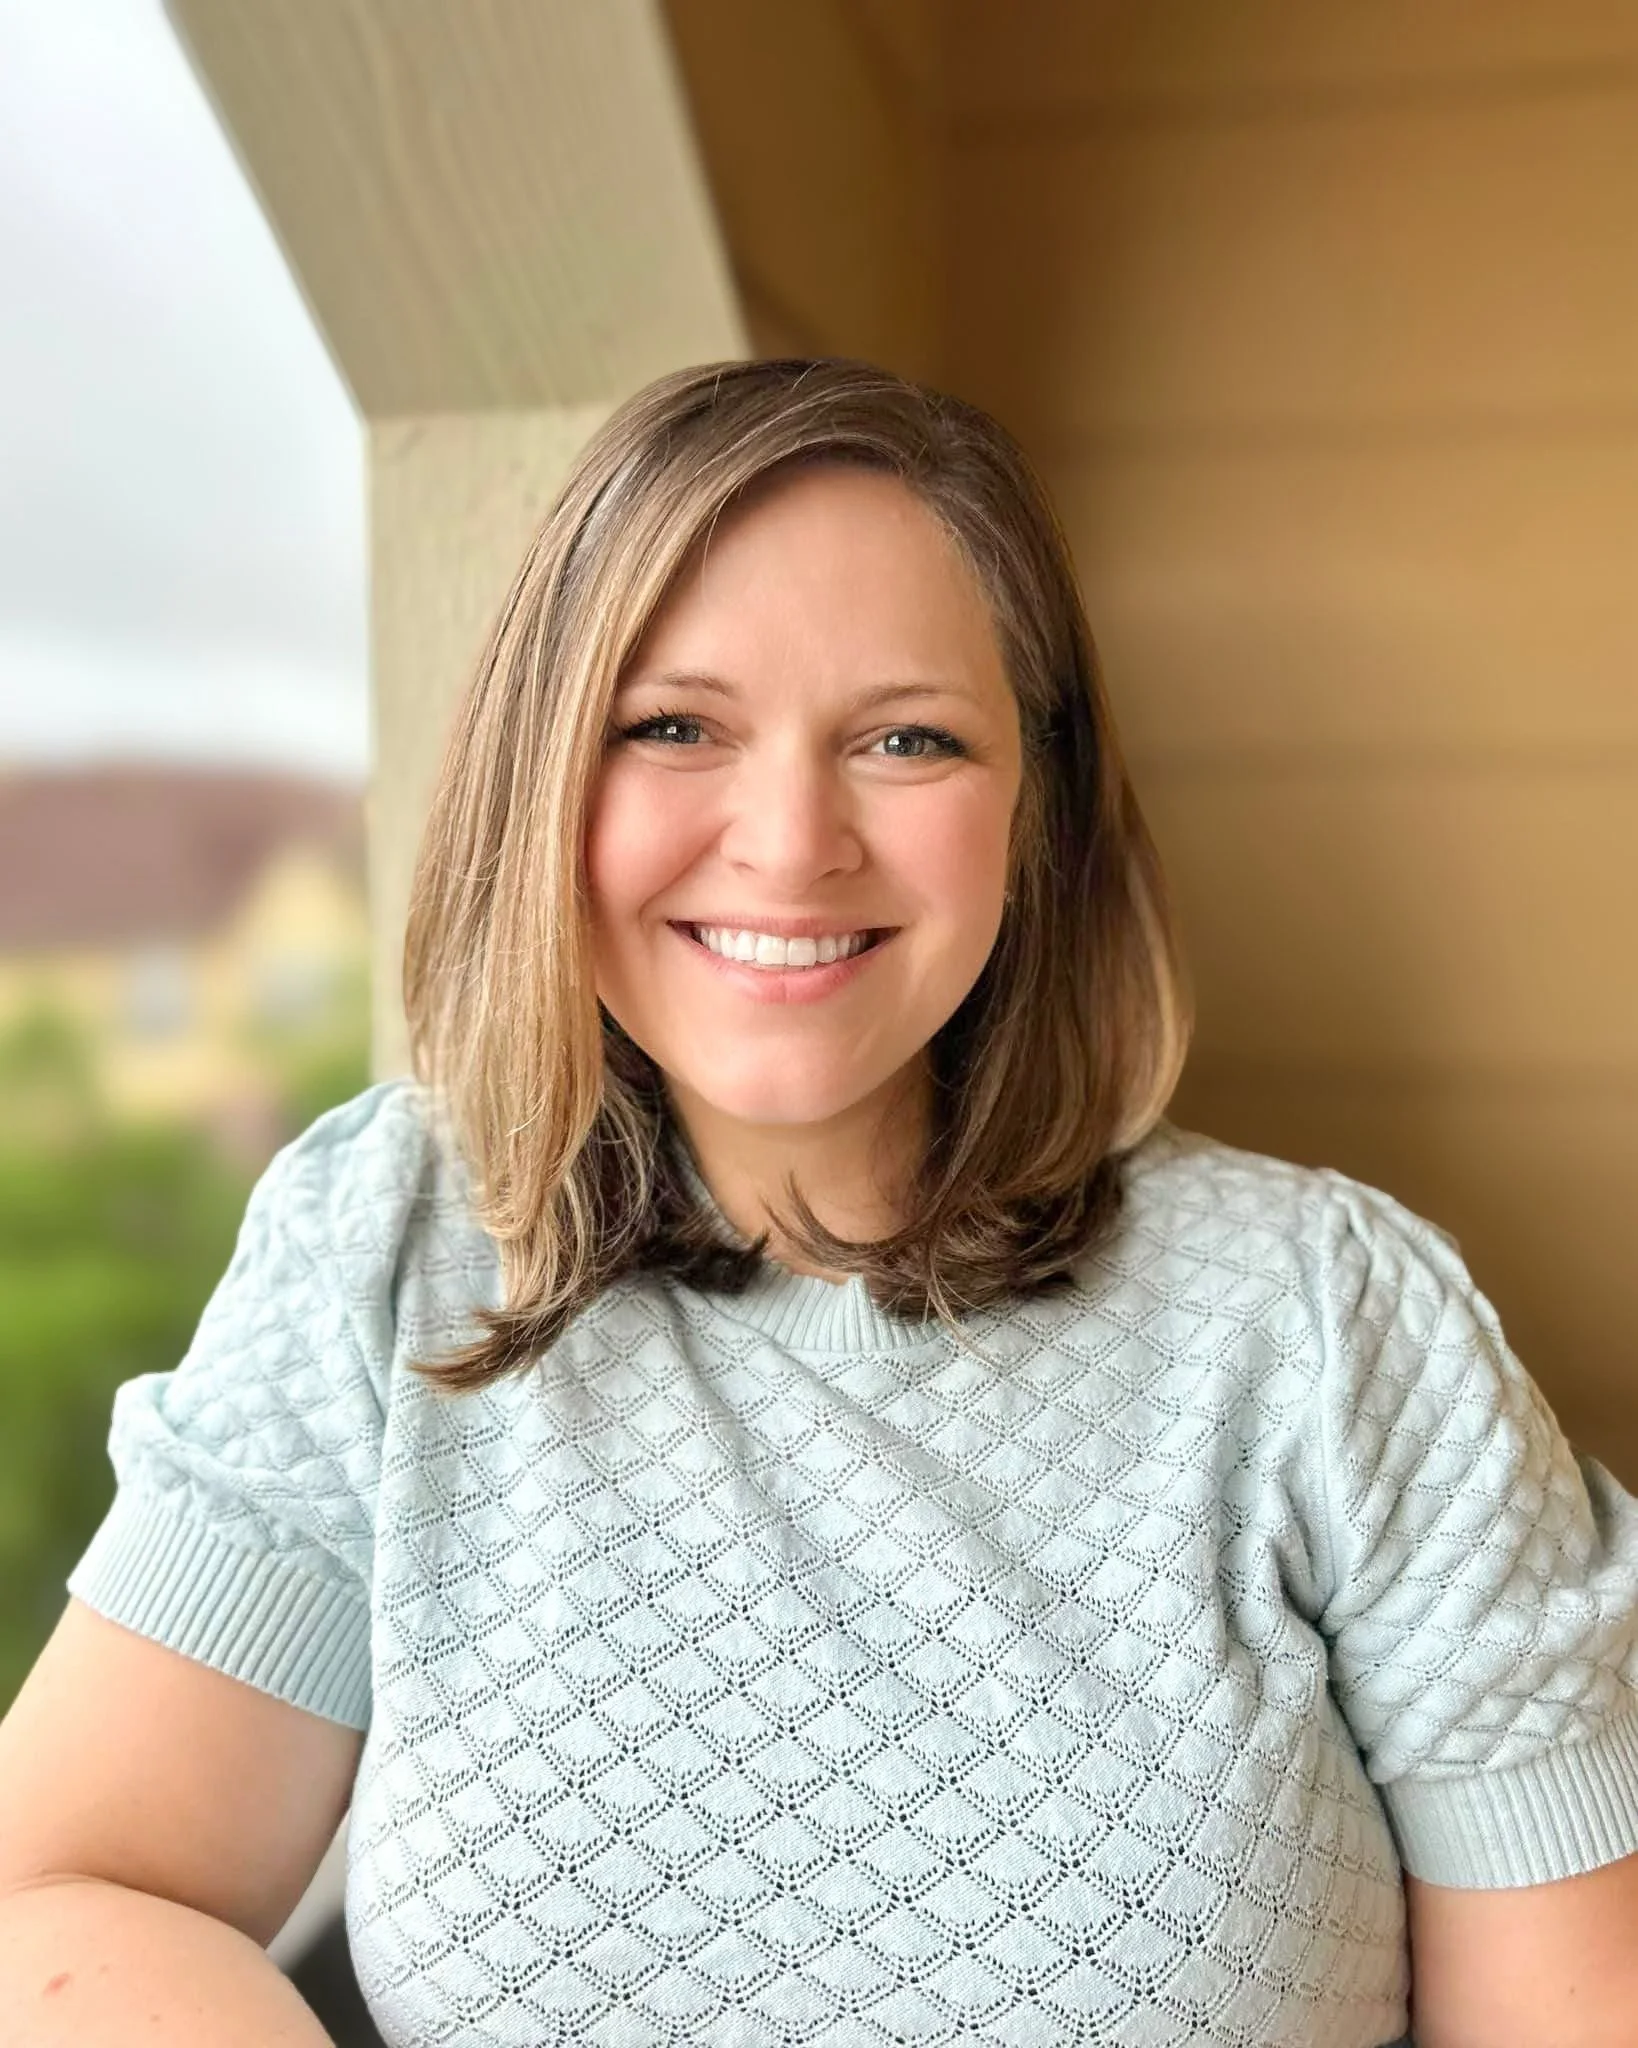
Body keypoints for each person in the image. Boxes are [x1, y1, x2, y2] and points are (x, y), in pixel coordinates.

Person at [1, 358, 1635, 2048]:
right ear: (545, 773)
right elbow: (73, 1892)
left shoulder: (1334, 1324)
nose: (788, 844)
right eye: (675, 727)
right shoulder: (393, 1238)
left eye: (907, 738)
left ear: (1036, 810)